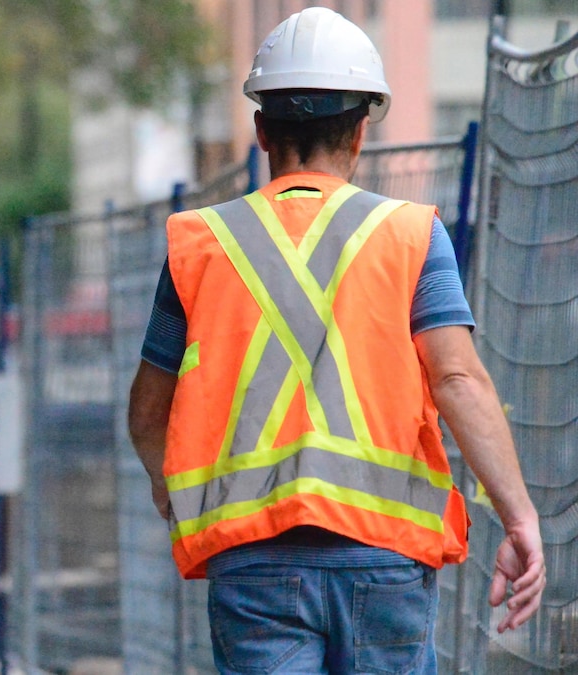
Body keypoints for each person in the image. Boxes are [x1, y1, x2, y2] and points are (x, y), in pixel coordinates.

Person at [127, 8, 544, 674]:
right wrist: (518, 516)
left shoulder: (200, 245)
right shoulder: (411, 235)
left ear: (262, 128)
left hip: (253, 562)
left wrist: (170, 489)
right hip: (384, 558)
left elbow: (149, 412)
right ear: (361, 128)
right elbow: (457, 379)